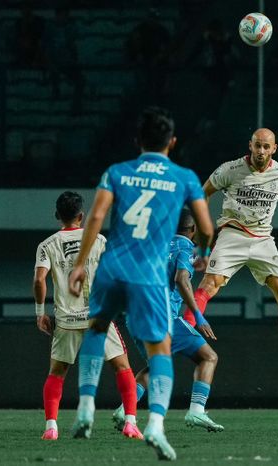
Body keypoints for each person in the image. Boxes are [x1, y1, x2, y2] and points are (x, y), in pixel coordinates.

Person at [68, 107, 213, 461]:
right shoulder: (184, 177)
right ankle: (156, 426)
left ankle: (86, 405)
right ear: (173, 142)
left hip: (112, 266)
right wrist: (204, 252)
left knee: (98, 328)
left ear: (138, 141)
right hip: (148, 276)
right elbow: (206, 228)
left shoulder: (116, 172)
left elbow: (98, 216)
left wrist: (79, 264)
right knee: (159, 351)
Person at [181, 128, 278, 386]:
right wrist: (199, 234)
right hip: (232, 233)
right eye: (257, 146)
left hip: (263, 239)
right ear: (249, 146)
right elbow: (202, 194)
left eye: (266, 147)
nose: (261, 151)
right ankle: (185, 327)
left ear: (274, 149)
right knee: (209, 285)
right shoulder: (229, 169)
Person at [33, 191, 141, 441]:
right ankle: (131, 424)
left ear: (57, 215)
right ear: (81, 216)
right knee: (122, 367)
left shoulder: (47, 245)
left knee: (57, 373)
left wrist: (40, 313)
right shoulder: (99, 240)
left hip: (67, 321)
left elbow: (39, 280)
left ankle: (51, 427)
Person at [112, 208, 223, 433]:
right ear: (192, 230)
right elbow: (182, 279)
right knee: (209, 357)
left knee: (157, 365)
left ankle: (125, 409)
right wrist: (199, 316)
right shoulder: (185, 247)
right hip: (163, 317)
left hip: (136, 316)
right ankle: (197, 412)